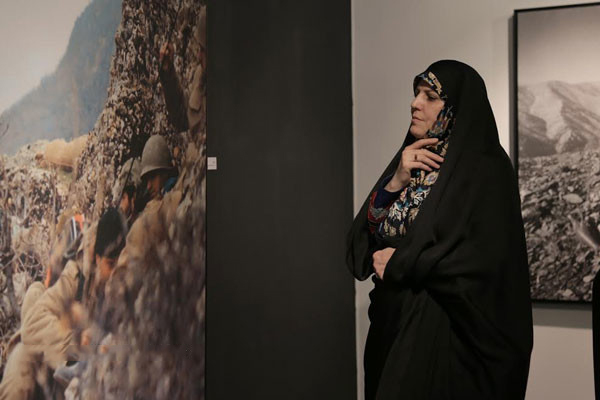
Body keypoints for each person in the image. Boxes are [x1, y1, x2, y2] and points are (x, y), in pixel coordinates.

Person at [347, 60, 533, 399]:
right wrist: (394, 183)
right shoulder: (411, 161)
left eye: (430, 96)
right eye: (416, 93)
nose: (415, 103)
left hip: (447, 338)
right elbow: (365, 243)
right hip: (391, 326)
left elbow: (487, 263)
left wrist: (404, 264)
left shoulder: (486, 170)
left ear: (456, 108)